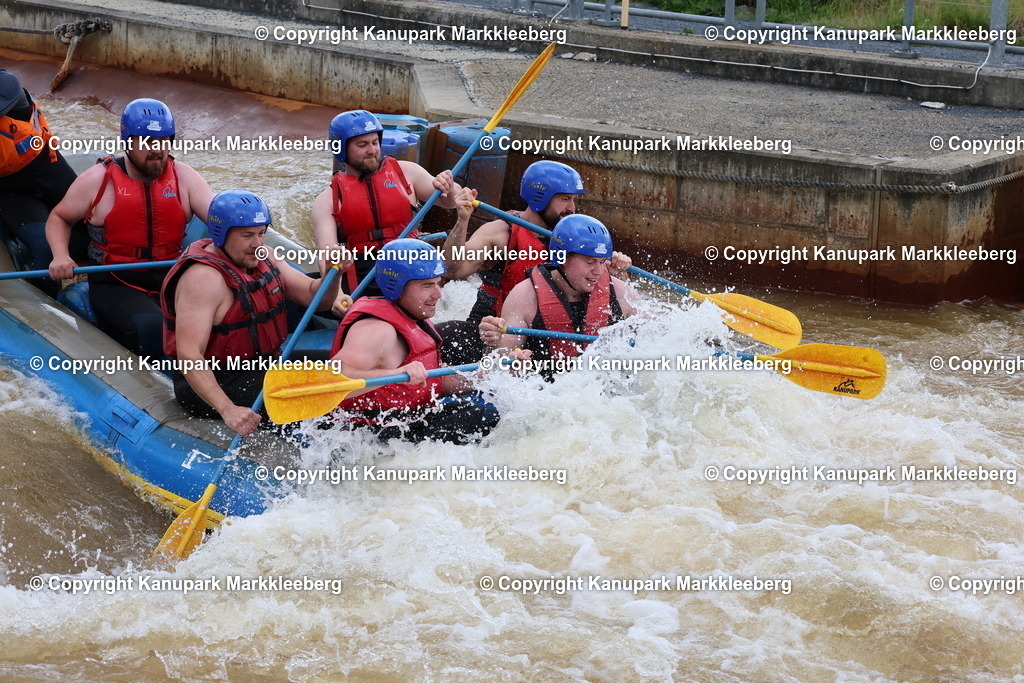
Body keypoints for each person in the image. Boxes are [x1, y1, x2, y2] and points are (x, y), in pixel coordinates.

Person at [161, 190, 348, 438]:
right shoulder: (203, 280)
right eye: (247, 235)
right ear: (220, 235)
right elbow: (189, 355)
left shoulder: (265, 256)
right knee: (315, 396)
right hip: (219, 380)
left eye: (261, 233)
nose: (257, 243)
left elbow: (316, 298)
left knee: (347, 366)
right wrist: (228, 410)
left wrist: (335, 274)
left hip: (263, 364)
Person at [46, 98, 214, 357]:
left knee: (219, 317)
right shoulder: (98, 180)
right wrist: (60, 255)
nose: (157, 149)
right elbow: (59, 218)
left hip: (171, 275)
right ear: (127, 142)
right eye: (147, 141)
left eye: (163, 141)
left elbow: (220, 220)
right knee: (152, 327)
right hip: (116, 280)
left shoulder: (185, 177)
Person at [438, 160, 632, 364]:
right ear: (540, 196)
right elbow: (452, 269)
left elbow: (603, 294)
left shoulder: (575, 236)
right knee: (450, 332)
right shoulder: (501, 233)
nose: (572, 208)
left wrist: (617, 273)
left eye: (573, 200)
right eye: (565, 199)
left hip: (545, 331)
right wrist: (462, 221)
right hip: (495, 333)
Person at [328, 238, 499, 444]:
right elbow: (332, 381)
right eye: (427, 285)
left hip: (408, 417)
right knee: (483, 416)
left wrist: (494, 371)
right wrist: (396, 374)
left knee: (488, 409)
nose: (438, 294)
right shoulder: (377, 331)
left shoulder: (411, 314)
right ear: (397, 286)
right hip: (370, 433)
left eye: (438, 283)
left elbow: (435, 382)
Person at [311, 109, 460, 295]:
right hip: (364, 280)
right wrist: (337, 296)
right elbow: (327, 257)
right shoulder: (327, 201)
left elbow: (451, 202)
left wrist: (449, 187)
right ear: (340, 149)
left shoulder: (407, 173)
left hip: (412, 267)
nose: (372, 150)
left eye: (375, 142)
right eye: (362, 145)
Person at [478, 214, 639, 377]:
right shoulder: (524, 296)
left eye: (602, 261)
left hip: (604, 388)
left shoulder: (620, 291)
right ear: (562, 257)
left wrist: (624, 278)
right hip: (547, 387)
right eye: (590, 262)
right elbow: (497, 366)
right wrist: (497, 347)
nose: (598, 271)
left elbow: (652, 338)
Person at [0, 69, 86, 292]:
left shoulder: (6, 84)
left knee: (97, 230)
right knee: (45, 248)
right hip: (10, 191)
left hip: (48, 168)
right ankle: (50, 304)